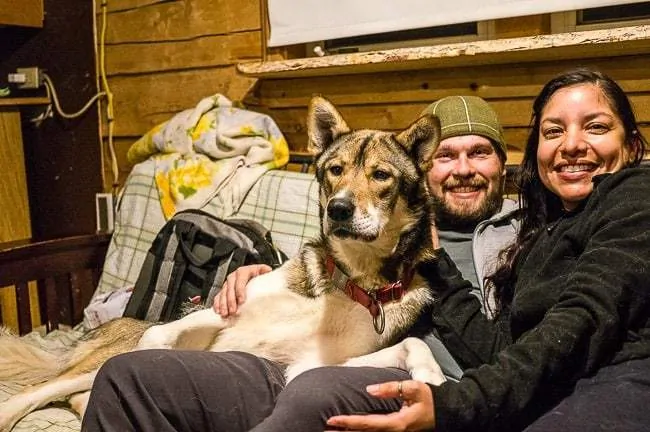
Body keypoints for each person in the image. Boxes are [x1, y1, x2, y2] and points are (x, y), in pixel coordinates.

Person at [81, 95, 520, 431]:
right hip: (300, 355)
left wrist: (435, 262)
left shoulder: (520, 237)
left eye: (480, 152)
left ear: (503, 162)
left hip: (401, 384)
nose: (463, 168)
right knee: (127, 375)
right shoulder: (394, 229)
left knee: (311, 390)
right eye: (447, 155)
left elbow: (507, 351)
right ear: (427, 168)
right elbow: (327, 269)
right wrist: (255, 269)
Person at [326, 68, 650, 432]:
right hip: (507, 389)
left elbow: (583, 320)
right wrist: (256, 272)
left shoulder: (628, 198)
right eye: (554, 131)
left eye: (596, 127)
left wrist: (453, 404)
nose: (571, 145)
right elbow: (502, 349)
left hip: (610, 384)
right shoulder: (545, 231)